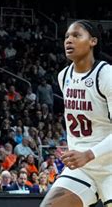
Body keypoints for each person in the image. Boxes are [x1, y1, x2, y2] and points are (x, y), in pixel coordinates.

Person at [41, 20, 112, 207]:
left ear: (93, 41)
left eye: (76, 35)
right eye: (66, 37)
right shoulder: (64, 76)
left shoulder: (106, 75)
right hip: (83, 168)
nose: (68, 40)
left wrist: (89, 153)